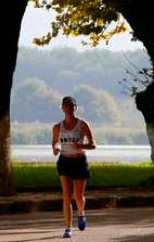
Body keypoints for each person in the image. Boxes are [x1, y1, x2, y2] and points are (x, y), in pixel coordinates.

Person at [52, 96, 96, 239]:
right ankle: (68, 228)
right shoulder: (57, 127)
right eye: (66, 105)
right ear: (62, 108)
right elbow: (54, 142)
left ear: (75, 108)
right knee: (66, 196)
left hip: (79, 162)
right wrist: (54, 148)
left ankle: (81, 213)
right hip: (64, 161)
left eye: (71, 106)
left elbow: (93, 144)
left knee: (78, 195)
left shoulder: (82, 125)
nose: (69, 108)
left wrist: (81, 146)